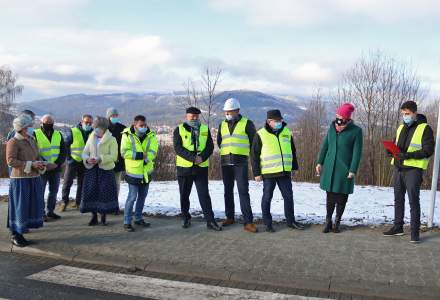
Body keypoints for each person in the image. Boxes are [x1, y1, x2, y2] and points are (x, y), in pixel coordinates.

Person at [383, 101, 434, 243]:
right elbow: (396, 145)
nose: (405, 116)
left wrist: (408, 155)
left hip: (413, 170)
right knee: (398, 199)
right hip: (398, 168)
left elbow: (428, 150)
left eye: (407, 114)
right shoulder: (401, 128)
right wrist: (390, 151)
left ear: (414, 113)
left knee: (413, 201)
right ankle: (398, 227)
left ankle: (414, 233)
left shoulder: (425, 128)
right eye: (403, 114)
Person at [251, 109, 304, 232]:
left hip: (285, 172)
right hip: (269, 173)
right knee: (267, 197)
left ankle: (291, 222)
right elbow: (254, 155)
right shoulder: (260, 134)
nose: (279, 122)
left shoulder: (286, 132)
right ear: (269, 121)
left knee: (288, 197)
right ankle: (267, 223)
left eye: (280, 120)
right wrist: (256, 173)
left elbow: (292, 151)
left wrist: (294, 167)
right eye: (277, 121)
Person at [315, 103, 363, 234]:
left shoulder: (356, 131)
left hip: (345, 169)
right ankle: (328, 221)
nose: (338, 118)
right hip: (330, 168)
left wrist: (353, 170)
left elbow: (357, 152)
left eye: (340, 116)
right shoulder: (332, 128)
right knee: (330, 196)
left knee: (341, 197)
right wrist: (320, 162)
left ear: (347, 118)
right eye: (337, 115)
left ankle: (337, 222)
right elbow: (325, 146)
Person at [173, 107, 222, 231]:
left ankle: (210, 221)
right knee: (184, 195)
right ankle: (186, 218)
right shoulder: (179, 129)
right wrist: (193, 158)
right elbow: (178, 148)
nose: (194, 118)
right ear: (187, 116)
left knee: (204, 195)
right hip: (184, 167)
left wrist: (202, 157)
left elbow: (210, 146)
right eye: (191, 116)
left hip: (201, 167)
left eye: (196, 116)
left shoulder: (205, 129)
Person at [217, 98, 257, 233]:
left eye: (230, 111)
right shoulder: (221, 125)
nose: (227, 113)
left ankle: (248, 222)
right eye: (226, 111)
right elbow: (219, 141)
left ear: (237, 111)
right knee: (227, 191)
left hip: (240, 163)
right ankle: (230, 217)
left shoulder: (247, 123)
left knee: (243, 192)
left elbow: (254, 144)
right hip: (226, 162)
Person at [6, 114, 45, 247]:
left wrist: (40, 163)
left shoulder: (32, 139)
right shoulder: (13, 141)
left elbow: (36, 155)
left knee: (30, 206)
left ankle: (22, 231)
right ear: (22, 128)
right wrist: (30, 164)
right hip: (20, 179)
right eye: (29, 126)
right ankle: (15, 234)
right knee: (20, 207)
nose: (31, 128)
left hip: (33, 178)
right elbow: (10, 161)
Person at [121, 115, 158, 232]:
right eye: (141, 125)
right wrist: (140, 156)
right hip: (133, 171)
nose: (143, 127)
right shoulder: (127, 135)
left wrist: (148, 158)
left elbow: (153, 150)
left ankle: (138, 218)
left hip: (146, 171)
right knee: (132, 197)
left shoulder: (151, 135)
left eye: (144, 125)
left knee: (142, 197)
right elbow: (124, 152)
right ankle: (127, 221)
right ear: (135, 124)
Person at [81, 117, 119, 226]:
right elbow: (85, 152)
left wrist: (100, 158)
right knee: (92, 192)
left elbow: (114, 156)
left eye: (97, 128)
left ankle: (103, 216)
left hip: (105, 170)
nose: (95, 131)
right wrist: (87, 159)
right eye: (94, 128)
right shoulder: (91, 137)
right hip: (92, 170)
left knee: (104, 193)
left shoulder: (112, 139)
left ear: (104, 128)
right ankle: (94, 217)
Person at [34, 114, 66, 222]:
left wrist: (57, 163)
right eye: (46, 123)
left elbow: (63, 151)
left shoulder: (58, 134)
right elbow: (33, 152)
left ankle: (50, 212)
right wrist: (44, 164)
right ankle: (41, 213)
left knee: (54, 191)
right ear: (41, 123)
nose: (48, 125)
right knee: (40, 192)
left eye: (50, 123)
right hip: (42, 168)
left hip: (55, 169)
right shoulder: (35, 134)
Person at [59, 114, 93, 211]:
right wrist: (69, 158)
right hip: (73, 161)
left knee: (82, 183)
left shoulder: (93, 133)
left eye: (90, 123)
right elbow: (66, 145)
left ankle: (78, 202)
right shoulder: (73, 131)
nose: (88, 124)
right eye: (86, 122)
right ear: (82, 121)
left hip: (85, 162)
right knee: (67, 182)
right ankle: (64, 202)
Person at [106, 107, 126, 199]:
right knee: (105, 183)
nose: (115, 117)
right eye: (113, 115)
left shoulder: (123, 129)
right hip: (106, 160)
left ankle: (114, 203)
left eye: (116, 115)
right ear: (108, 117)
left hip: (118, 161)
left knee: (116, 184)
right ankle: (105, 203)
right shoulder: (104, 128)